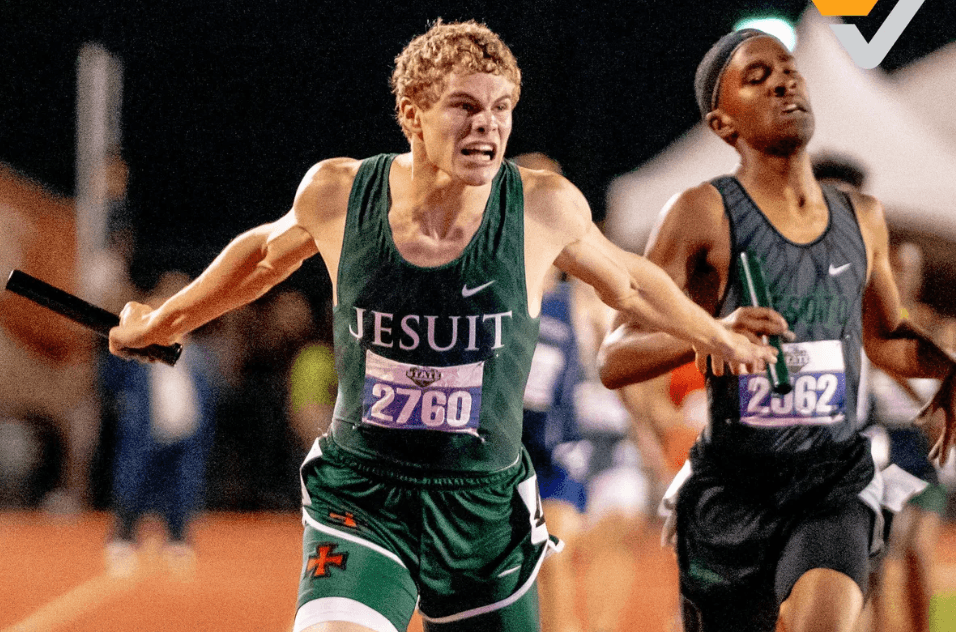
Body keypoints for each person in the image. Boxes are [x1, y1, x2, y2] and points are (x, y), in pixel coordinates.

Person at [108, 20, 774, 632]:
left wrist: (712, 333)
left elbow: (628, 279)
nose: (487, 125)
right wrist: (166, 318)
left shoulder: (541, 208)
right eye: (464, 106)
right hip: (365, 497)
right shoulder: (341, 194)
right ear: (412, 115)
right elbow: (262, 256)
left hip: (484, 511)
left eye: (501, 109)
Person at [597, 29, 956, 632]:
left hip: (831, 482)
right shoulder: (699, 212)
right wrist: (709, 333)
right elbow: (615, 358)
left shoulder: (862, 218)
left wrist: (948, 370)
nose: (784, 81)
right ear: (722, 123)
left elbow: (884, 336)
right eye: (757, 78)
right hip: (732, 494)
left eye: (789, 69)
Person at [813, 155, 950, 632]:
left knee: (900, 552)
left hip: (903, 445)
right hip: (842, 439)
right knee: (871, 559)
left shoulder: (914, 315)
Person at [100, 271, 218, 578]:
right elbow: (112, 378)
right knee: (133, 481)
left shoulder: (195, 354)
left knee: (182, 486)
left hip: (186, 429)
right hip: (146, 429)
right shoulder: (141, 348)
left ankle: (178, 538)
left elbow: (206, 392)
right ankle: (122, 537)